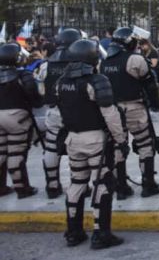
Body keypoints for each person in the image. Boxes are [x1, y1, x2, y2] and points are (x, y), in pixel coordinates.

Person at [56, 39, 128, 249]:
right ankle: (100, 233)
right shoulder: (96, 80)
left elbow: (61, 112)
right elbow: (110, 114)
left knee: (77, 182)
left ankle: (73, 231)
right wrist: (120, 139)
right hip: (96, 139)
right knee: (102, 183)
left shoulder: (61, 82)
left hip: (73, 138)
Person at [99, 27, 159, 199]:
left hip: (113, 111)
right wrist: (155, 104)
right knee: (145, 144)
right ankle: (148, 184)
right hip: (134, 108)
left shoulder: (105, 62)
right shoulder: (135, 59)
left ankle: (121, 187)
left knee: (119, 146)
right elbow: (150, 83)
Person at [34, 27, 81, 198]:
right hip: (76, 111)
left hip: (54, 111)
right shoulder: (81, 64)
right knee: (76, 148)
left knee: (51, 147)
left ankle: (52, 185)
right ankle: (79, 184)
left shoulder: (45, 65)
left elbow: (40, 90)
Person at [0, 43, 41, 198]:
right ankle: (22, 188)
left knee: (1, 151)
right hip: (17, 117)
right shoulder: (23, 75)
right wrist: (36, 102)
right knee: (16, 153)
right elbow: (33, 94)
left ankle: (1, 187)